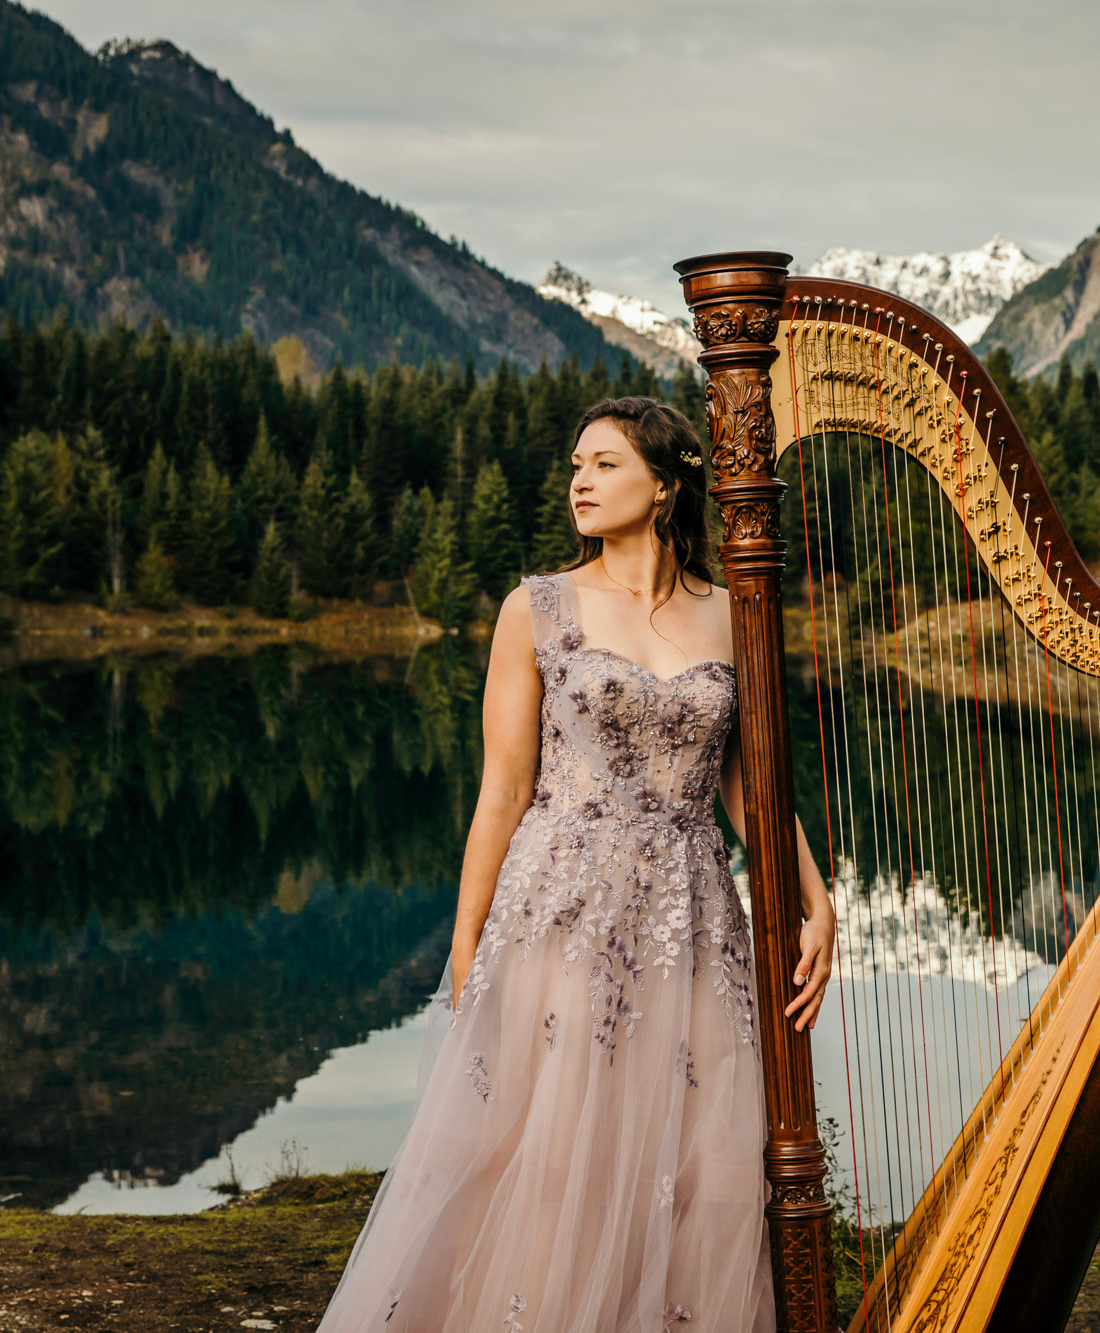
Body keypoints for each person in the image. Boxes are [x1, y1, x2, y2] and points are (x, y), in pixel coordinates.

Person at [315, 397, 837, 1331]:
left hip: (695, 904)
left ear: (666, 483)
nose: (579, 484)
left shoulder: (732, 613)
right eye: (574, 467)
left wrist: (811, 893)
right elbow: (503, 790)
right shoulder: (538, 605)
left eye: (602, 464)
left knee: (708, 1151)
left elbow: (751, 786)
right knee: (558, 1149)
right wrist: (467, 940)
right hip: (562, 901)